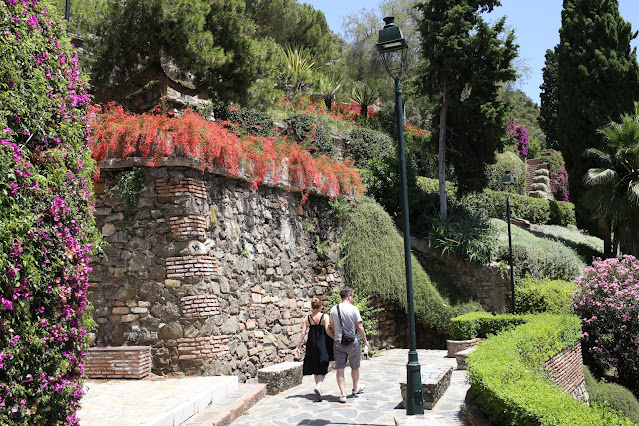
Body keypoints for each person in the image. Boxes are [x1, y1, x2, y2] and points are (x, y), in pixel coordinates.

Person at [329, 287, 370, 404]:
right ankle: (355, 388)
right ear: (348, 296)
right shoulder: (354, 309)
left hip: (338, 341)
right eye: (352, 296)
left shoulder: (333, 309)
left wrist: (336, 336)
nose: (352, 298)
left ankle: (342, 394)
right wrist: (365, 340)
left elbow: (332, 327)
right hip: (353, 341)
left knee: (340, 368)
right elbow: (359, 326)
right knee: (355, 366)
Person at [293, 297, 334, 401]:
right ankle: (319, 386)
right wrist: (336, 338)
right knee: (323, 364)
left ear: (312, 307)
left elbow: (303, 333)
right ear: (320, 306)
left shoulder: (307, 318)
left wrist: (297, 347)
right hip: (322, 343)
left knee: (315, 364)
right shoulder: (324, 316)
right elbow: (328, 332)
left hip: (311, 343)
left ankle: (318, 390)